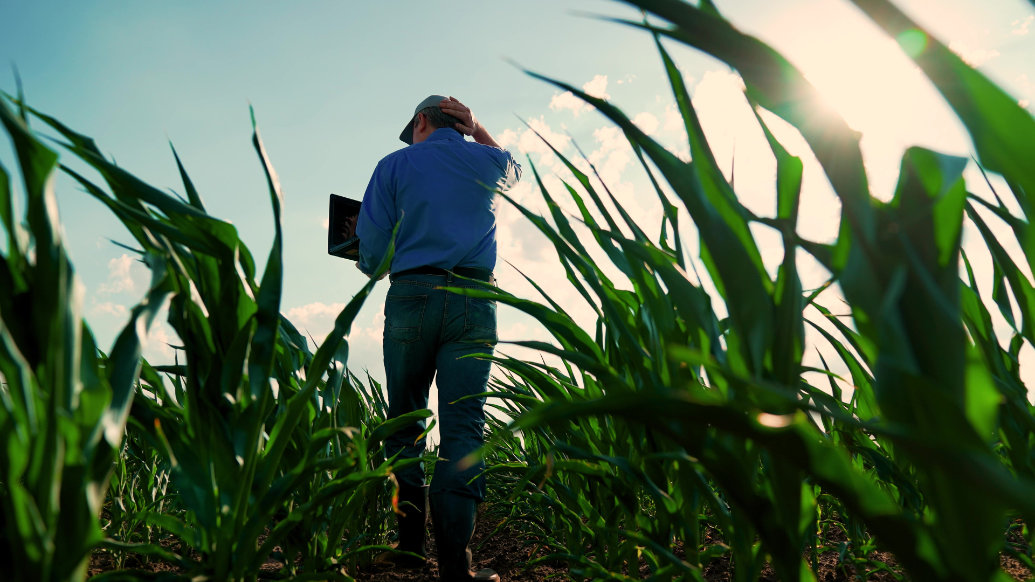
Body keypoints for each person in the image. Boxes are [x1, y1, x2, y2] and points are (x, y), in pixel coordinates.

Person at [355, 95, 521, 582]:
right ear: (462, 124)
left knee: (405, 421)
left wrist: (366, 253)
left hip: (413, 295)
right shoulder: (488, 162)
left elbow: (373, 259)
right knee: (464, 428)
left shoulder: (392, 166)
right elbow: (515, 171)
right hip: (474, 300)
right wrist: (478, 128)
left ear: (420, 121)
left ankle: (409, 548)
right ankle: (455, 566)